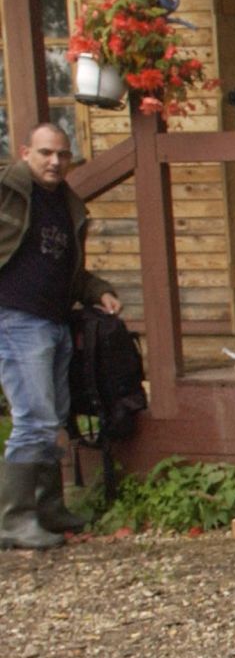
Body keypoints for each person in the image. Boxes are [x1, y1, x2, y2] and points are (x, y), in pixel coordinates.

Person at [0, 123, 122, 550]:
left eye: (62, 154)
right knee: (33, 418)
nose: (54, 161)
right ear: (25, 152)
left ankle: (48, 508)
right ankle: (14, 518)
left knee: (53, 422)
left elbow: (66, 269)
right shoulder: (7, 191)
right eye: (45, 153)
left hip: (54, 321)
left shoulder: (66, 203)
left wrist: (98, 291)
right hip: (15, 318)